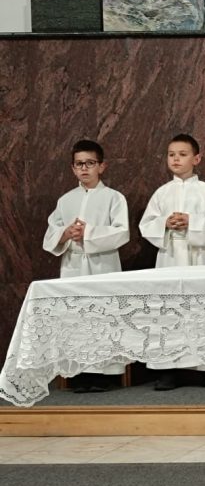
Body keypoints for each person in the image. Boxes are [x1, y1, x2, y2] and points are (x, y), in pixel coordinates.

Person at [139, 133, 205, 390]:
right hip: (169, 257)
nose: (176, 159)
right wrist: (164, 224)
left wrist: (192, 223)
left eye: (182, 154)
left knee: (202, 310)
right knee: (167, 311)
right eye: (171, 154)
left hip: (198, 257)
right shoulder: (162, 192)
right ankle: (167, 370)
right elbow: (147, 225)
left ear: (196, 158)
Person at [43, 139, 130, 393]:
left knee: (105, 318)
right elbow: (51, 234)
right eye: (79, 164)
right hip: (73, 267)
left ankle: (105, 374)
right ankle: (79, 373)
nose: (84, 168)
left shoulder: (114, 198)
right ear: (72, 168)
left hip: (104, 267)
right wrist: (65, 233)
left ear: (101, 166)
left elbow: (121, 232)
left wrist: (88, 233)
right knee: (77, 319)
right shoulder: (65, 200)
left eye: (90, 163)